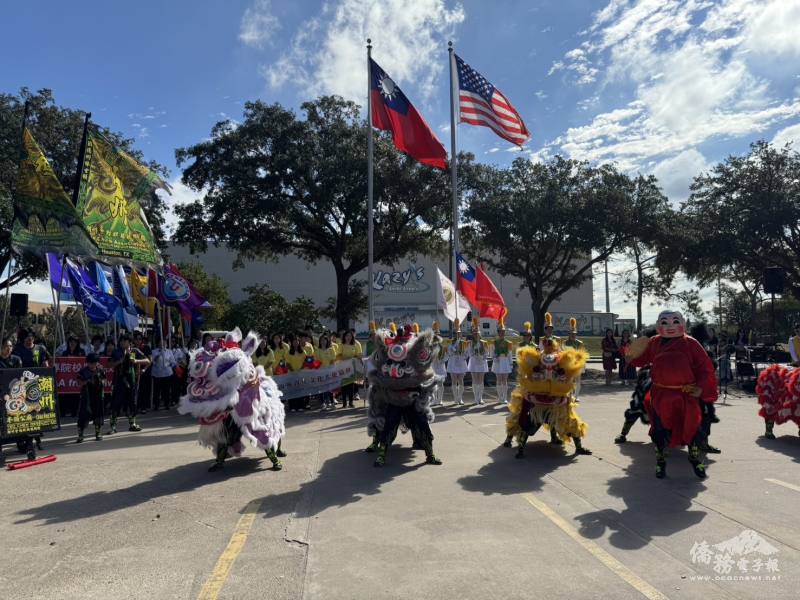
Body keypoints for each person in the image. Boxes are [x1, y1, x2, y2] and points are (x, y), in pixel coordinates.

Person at [625, 310, 717, 479]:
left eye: (675, 322)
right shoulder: (654, 342)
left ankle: (695, 459)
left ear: (682, 323)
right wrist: (631, 358)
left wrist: (702, 388)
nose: (670, 326)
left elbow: (705, 368)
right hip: (661, 394)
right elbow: (642, 359)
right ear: (659, 325)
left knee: (692, 427)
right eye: (665, 323)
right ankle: (660, 463)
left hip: (686, 394)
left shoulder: (691, 343)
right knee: (660, 429)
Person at [178, 328, 286, 472]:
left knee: (264, 429)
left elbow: (251, 382)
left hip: (252, 404)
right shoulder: (221, 359)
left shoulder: (243, 361)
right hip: (232, 406)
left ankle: (275, 455)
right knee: (226, 433)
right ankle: (220, 460)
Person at [365, 325, 443, 467]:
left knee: (422, 424)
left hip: (411, 398)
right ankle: (381, 453)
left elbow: (423, 372)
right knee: (386, 424)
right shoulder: (389, 351)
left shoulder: (411, 350)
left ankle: (430, 454)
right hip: (394, 399)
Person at [504, 334, 592, 457]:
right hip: (539, 400)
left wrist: (560, 376)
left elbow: (564, 376)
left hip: (551, 400)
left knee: (569, 420)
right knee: (523, 417)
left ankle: (520, 446)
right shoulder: (540, 358)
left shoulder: (554, 358)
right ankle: (516, 445)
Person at [0, 338, 37, 462]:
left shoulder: (16, 359)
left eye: (10, 346)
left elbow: (18, 376)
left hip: (15, 394)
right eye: (6, 346)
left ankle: (29, 448)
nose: (9, 348)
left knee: (23, 420)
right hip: (1, 396)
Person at [109, 334, 150, 434]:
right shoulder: (116, 352)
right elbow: (109, 364)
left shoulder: (134, 351)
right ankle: (113, 426)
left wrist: (136, 361)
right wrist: (120, 361)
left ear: (129, 342)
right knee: (116, 403)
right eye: (121, 341)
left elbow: (148, 361)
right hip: (120, 381)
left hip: (132, 381)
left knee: (133, 403)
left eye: (125, 341)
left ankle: (132, 424)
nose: (122, 343)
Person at [76, 353, 105, 443]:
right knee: (83, 415)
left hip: (98, 395)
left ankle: (98, 432)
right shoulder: (83, 371)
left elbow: (104, 379)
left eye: (94, 363)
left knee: (98, 414)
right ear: (87, 363)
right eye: (90, 363)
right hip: (87, 396)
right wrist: (88, 380)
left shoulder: (100, 370)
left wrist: (101, 381)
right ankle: (81, 434)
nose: (92, 365)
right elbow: (79, 383)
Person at [337, 329, 362, 408]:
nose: (348, 337)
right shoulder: (341, 344)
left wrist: (354, 358)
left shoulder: (356, 344)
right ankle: (344, 403)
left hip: (352, 368)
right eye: (347, 336)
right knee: (343, 385)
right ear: (344, 337)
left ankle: (351, 402)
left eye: (350, 336)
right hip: (343, 368)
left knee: (351, 385)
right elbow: (338, 355)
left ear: (352, 337)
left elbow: (359, 355)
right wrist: (345, 359)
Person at [467, 317, 489, 405]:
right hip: (474, 362)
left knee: (481, 380)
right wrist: (475, 354)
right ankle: (476, 397)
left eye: (478, 334)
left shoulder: (483, 342)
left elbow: (487, 353)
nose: (476, 335)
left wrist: (483, 356)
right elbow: (469, 352)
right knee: (475, 380)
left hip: (482, 362)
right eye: (475, 334)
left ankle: (480, 397)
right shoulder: (471, 343)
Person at [446, 319, 468, 406]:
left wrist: (463, 355)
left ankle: (460, 398)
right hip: (453, 362)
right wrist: (454, 347)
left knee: (461, 380)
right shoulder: (451, 343)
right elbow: (449, 353)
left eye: (459, 333)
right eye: (456, 334)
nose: (458, 335)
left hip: (461, 362)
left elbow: (467, 354)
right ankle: (455, 398)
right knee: (454, 380)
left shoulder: (464, 343)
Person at [491, 318, 514, 404]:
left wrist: (511, 363)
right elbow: (492, 353)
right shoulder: (495, 342)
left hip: (505, 362)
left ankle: (504, 397)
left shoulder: (508, 342)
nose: (502, 333)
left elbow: (510, 354)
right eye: (500, 331)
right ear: (498, 332)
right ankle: (499, 397)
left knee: (504, 380)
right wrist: (495, 357)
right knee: (499, 379)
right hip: (498, 361)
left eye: (503, 331)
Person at [284, 334, 308, 412]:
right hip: (291, 374)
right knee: (292, 390)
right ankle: (292, 407)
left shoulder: (303, 351)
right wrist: (293, 371)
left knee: (300, 390)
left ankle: (300, 406)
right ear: (291, 343)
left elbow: (305, 361)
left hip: (301, 374)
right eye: (294, 342)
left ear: (299, 342)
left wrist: (300, 370)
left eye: (297, 341)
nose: (295, 343)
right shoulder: (288, 352)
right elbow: (287, 364)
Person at [150, 339, 176, 411]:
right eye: (161, 343)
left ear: (166, 344)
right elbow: (152, 361)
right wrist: (159, 355)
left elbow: (173, 362)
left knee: (166, 390)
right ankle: (156, 405)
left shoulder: (169, 351)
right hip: (157, 374)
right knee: (157, 391)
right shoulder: (154, 351)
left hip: (167, 374)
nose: (162, 344)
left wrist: (170, 365)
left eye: (164, 343)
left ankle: (167, 404)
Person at [563, 318, 585, 398]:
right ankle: (569, 395)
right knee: (569, 380)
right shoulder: (565, 342)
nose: (573, 335)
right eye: (571, 334)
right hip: (568, 364)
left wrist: (581, 364)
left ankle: (576, 396)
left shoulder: (580, 343)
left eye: (574, 334)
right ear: (568, 334)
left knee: (578, 381)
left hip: (577, 364)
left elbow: (582, 354)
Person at [315, 333, 337, 409]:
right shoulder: (317, 350)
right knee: (322, 388)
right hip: (321, 372)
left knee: (330, 388)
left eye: (325, 340)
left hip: (329, 372)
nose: (323, 342)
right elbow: (316, 361)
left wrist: (328, 369)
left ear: (327, 341)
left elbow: (333, 360)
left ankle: (332, 402)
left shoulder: (331, 349)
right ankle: (323, 403)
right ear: (319, 341)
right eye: (321, 340)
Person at [430, 321, 448, 407]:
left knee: (440, 383)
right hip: (433, 366)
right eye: (435, 335)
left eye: (438, 334)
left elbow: (447, 356)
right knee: (433, 384)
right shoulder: (431, 346)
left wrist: (442, 360)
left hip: (440, 366)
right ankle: (434, 399)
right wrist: (432, 359)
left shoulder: (443, 346)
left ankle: (440, 399)